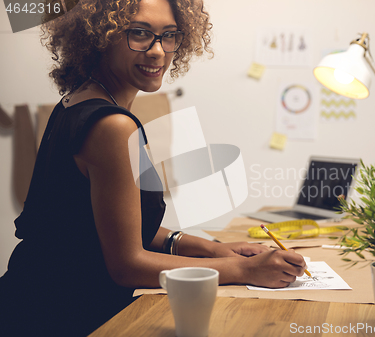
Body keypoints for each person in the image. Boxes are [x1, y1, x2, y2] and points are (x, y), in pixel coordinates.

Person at [0, 0, 306, 335]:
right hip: (54, 318)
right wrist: (243, 270)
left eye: (169, 35)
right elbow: (127, 265)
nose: (158, 51)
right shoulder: (113, 127)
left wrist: (210, 248)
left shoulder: (80, 101)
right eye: (140, 34)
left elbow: (106, 223)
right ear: (100, 36)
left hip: (32, 301)